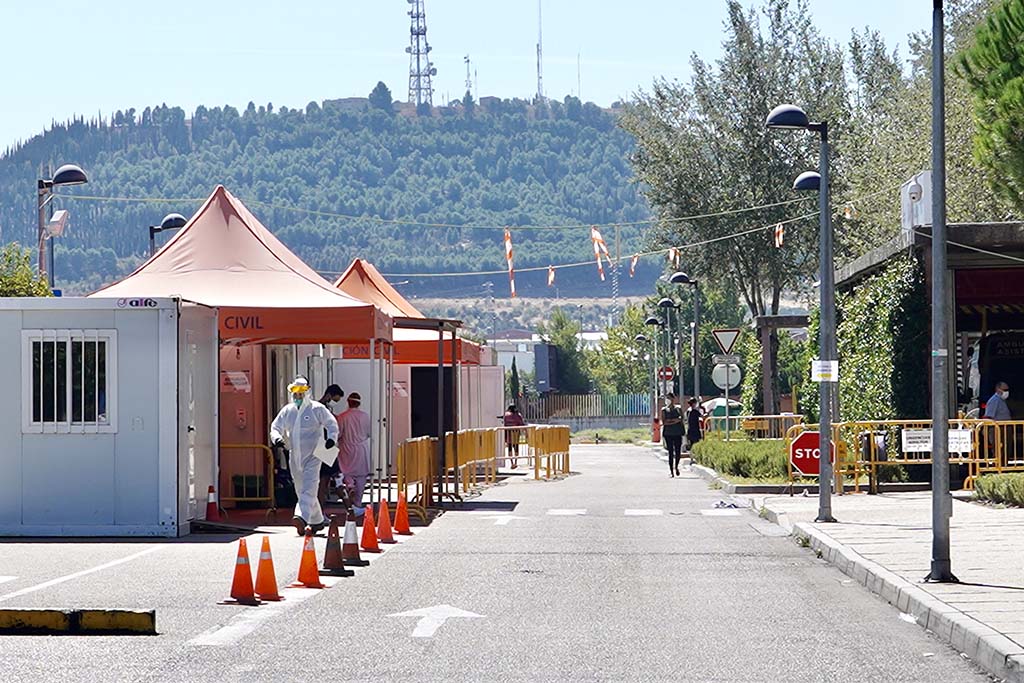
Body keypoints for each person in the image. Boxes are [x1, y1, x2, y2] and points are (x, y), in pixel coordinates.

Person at [270, 377, 339, 535]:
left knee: (310, 485)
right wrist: (277, 438)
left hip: (314, 455)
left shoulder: (317, 408)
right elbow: (275, 426)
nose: (298, 397)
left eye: (301, 393)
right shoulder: (288, 410)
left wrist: (331, 439)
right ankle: (317, 520)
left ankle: (301, 516)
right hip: (294, 455)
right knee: (301, 488)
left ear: (307, 392)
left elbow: (331, 424)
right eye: (295, 394)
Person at [336, 392, 373, 516]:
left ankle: (350, 487)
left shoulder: (342, 417)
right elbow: (368, 433)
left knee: (347, 473)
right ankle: (358, 502)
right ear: (359, 403)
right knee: (361, 476)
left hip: (346, 448)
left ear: (348, 402)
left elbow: (338, 434)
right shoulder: (365, 416)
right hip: (361, 448)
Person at [317, 384, 345, 508]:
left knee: (326, 481)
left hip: (324, 446)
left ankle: (320, 512)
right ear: (330, 395)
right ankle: (349, 507)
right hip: (325, 447)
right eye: (335, 398)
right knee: (330, 479)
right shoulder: (321, 408)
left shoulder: (321, 407)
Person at [661, 393, 684, 477]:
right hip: (668, 433)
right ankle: (671, 471)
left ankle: (676, 467)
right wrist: (675, 420)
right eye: (667, 398)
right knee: (670, 452)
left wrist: (670, 421)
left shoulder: (678, 408)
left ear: (673, 399)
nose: (668, 400)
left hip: (677, 433)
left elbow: (681, 419)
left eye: (669, 398)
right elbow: (664, 422)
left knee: (678, 451)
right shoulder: (664, 410)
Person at [685, 397, 703, 461]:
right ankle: (695, 457)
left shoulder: (688, 411)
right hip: (695, 430)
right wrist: (709, 412)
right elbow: (702, 416)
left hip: (690, 430)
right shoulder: (695, 411)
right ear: (694, 404)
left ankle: (692, 458)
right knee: (696, 444)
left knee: (691, 444)